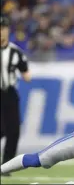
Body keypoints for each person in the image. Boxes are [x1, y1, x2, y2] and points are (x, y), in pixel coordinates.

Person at [0, 15, 31, 175]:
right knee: (2, 129)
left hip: (10, 92)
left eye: (3, 28)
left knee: (13, 130)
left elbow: (26, 75)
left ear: (7, 30)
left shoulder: (15, 52)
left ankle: (5, 166)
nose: (1, 32)